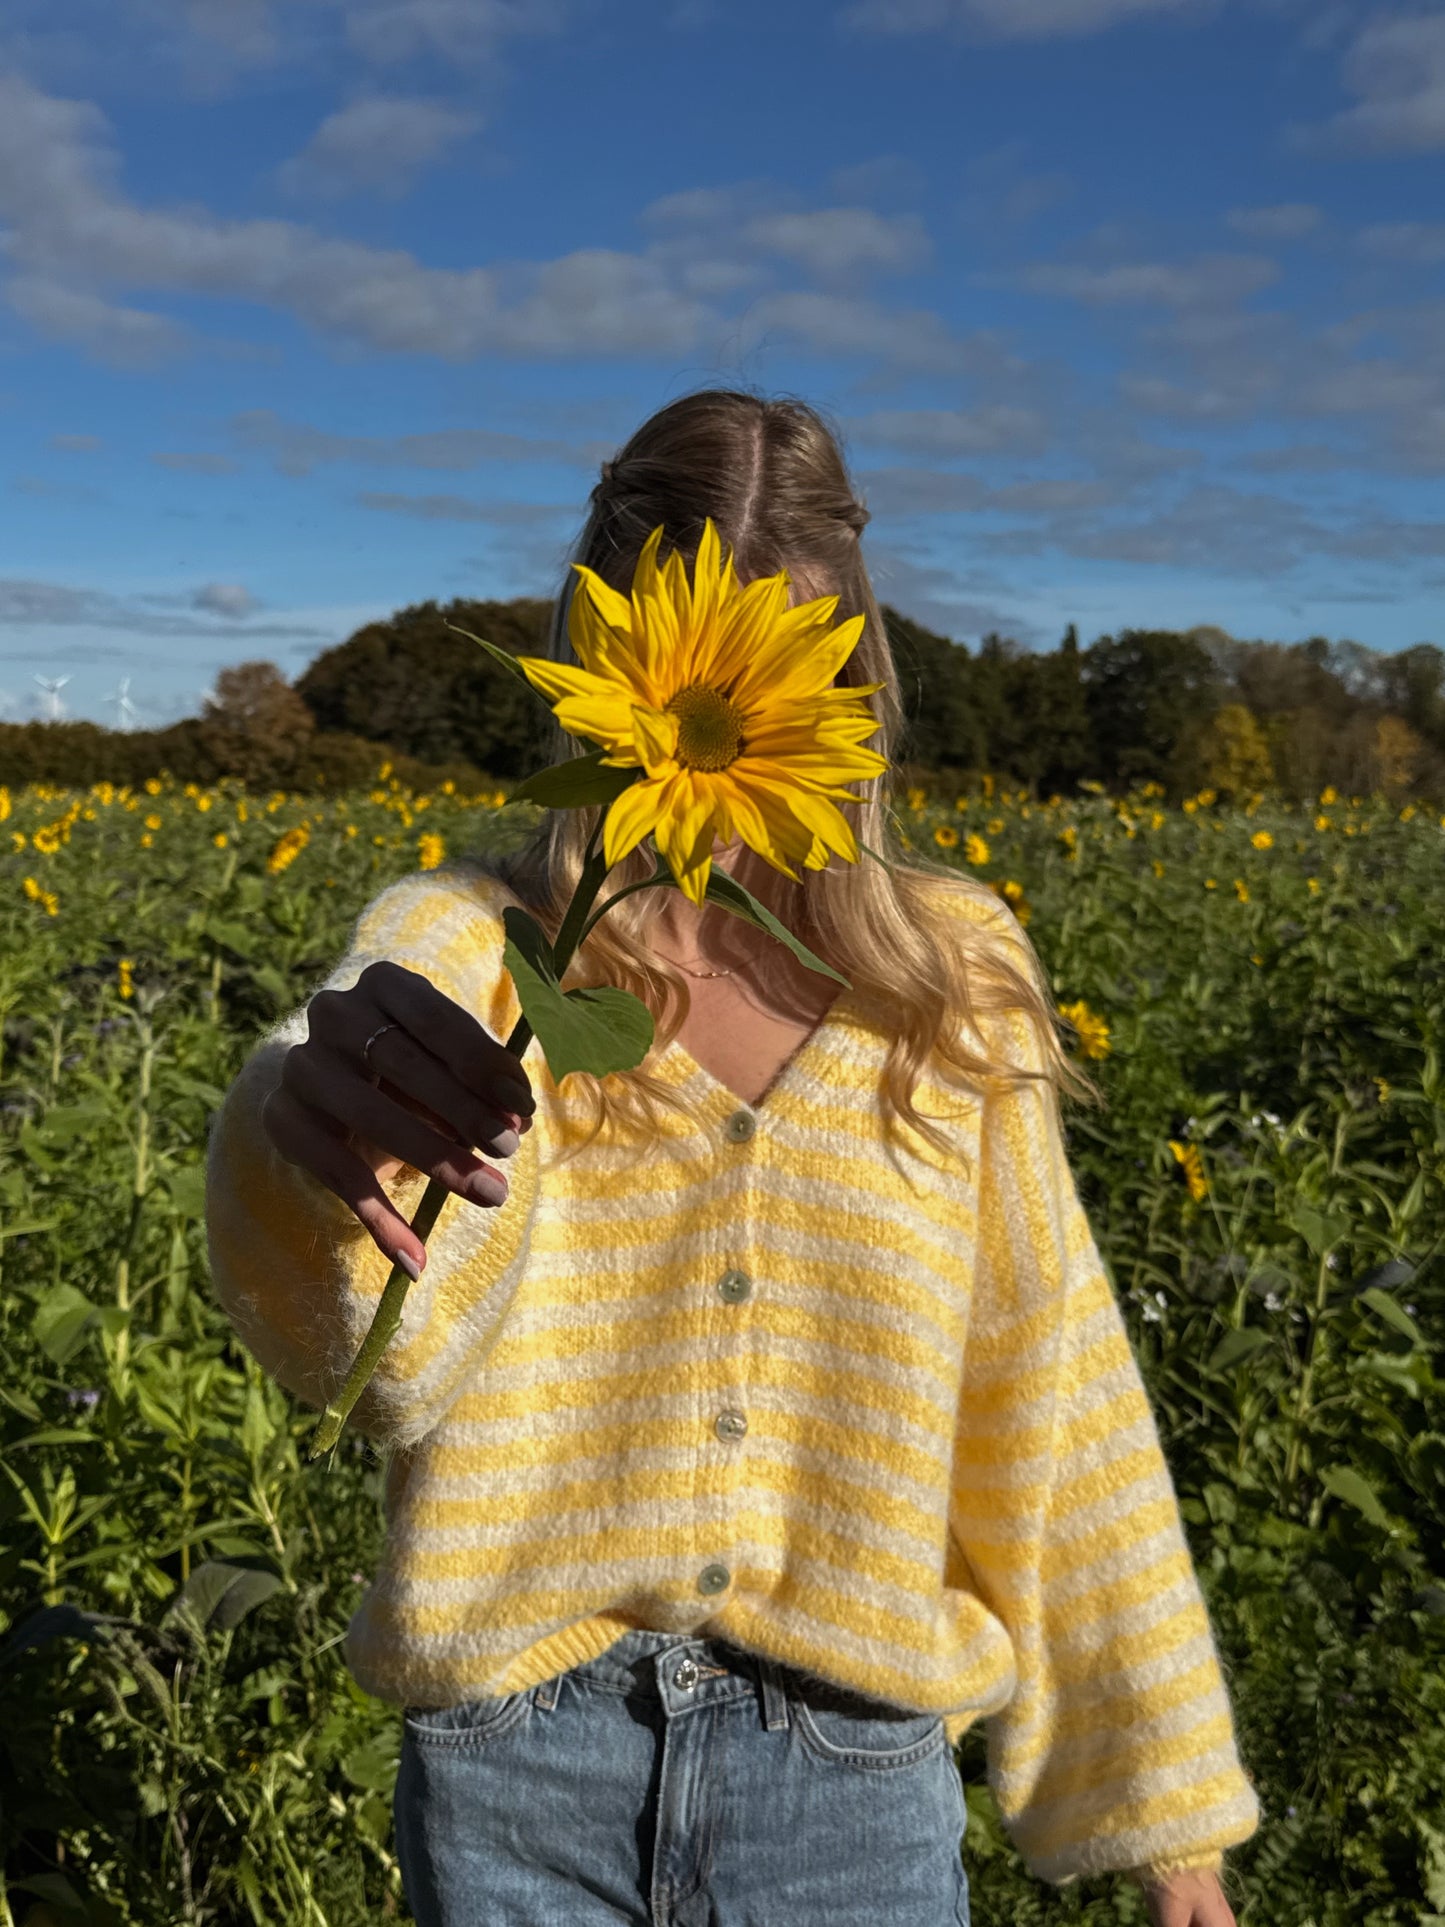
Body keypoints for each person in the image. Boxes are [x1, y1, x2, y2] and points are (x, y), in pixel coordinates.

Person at [205, 388, 1260, 1927]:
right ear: (605, 659)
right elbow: (381, 1365)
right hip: (516, 1773)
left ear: (851, 678)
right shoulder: (469, 951)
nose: (738, 714)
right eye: (700, 668)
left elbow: (1045, 1379)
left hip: (852, 1781)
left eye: (792, 672)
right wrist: (301, 1132)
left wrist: (1163, 1819)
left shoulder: (948, 984)